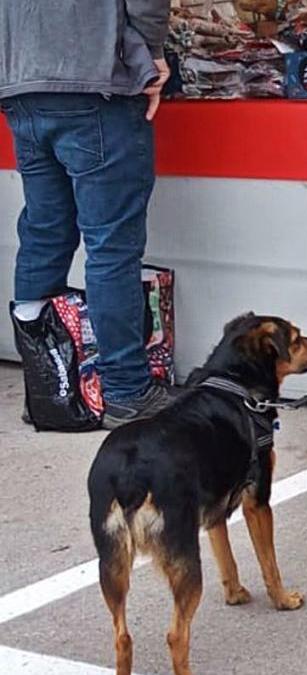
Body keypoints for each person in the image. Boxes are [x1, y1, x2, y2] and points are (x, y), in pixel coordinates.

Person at [1, 0, 174, 429]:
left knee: (44, 231)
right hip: (94, 82)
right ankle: (125, 390)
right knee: (111, 245)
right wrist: (152, 53)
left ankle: (48, 392)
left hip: (21, 84)